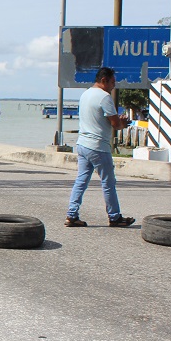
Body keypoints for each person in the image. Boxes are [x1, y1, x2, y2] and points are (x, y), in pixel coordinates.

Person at [65, 67, 134, 228]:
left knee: (81, 181)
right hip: (98, 146)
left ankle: (72, 214)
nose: (114, 86)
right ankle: (115, 217)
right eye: (112, 82)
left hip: (82, 144)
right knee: (108, 182)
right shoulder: (104, 97)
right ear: (104, 80)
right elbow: (116, 124)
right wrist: (123, 123)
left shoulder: (85, 94)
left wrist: (117, 121)